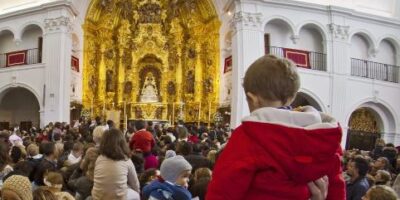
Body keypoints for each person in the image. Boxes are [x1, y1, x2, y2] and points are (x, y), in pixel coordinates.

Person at [206, 55, 345, 200]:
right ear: (293, 96)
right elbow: (336, 185)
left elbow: (223, 189)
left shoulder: (249, 136)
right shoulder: (323, 135)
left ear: (253, 98)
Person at [92, 128, 140, 200]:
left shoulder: (99, 158)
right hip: (118, 198)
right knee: (136, 195)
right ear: (122, 143)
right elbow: (135, 184)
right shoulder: (126, 160)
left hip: (97, 197)